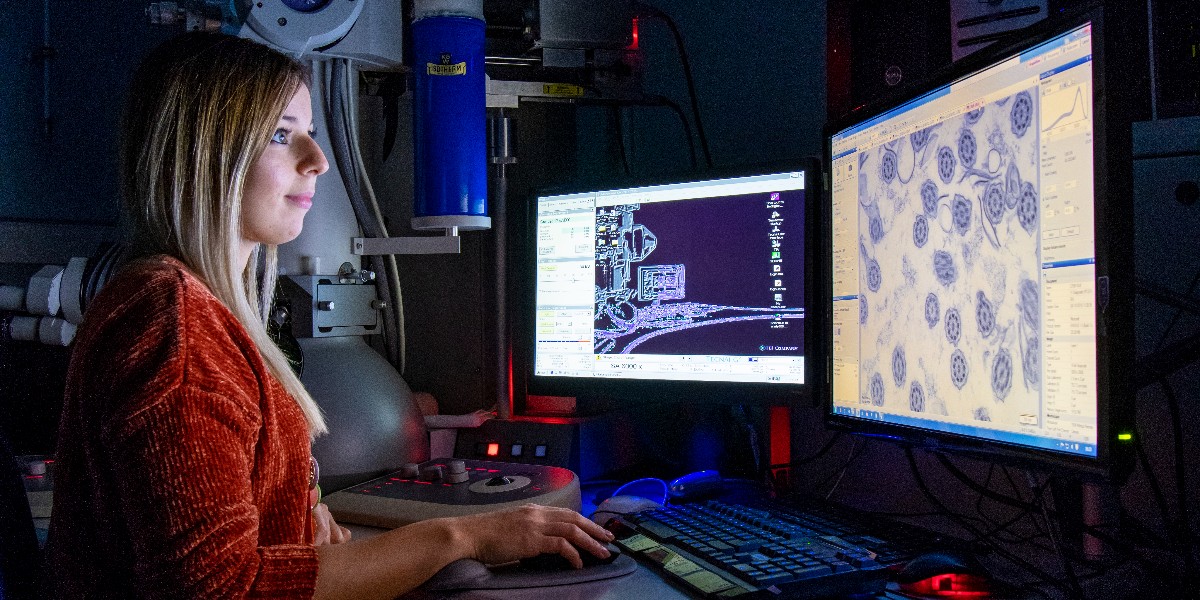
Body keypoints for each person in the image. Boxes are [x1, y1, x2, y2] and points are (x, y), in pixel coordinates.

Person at [45, 31, 613, 599]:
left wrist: (291, 511)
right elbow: (224, 591)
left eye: (311, 134)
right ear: (204, 155)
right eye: (280, 136)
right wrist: (461, 537)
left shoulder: (184, 306)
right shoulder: (175, 327)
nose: (317, 161)